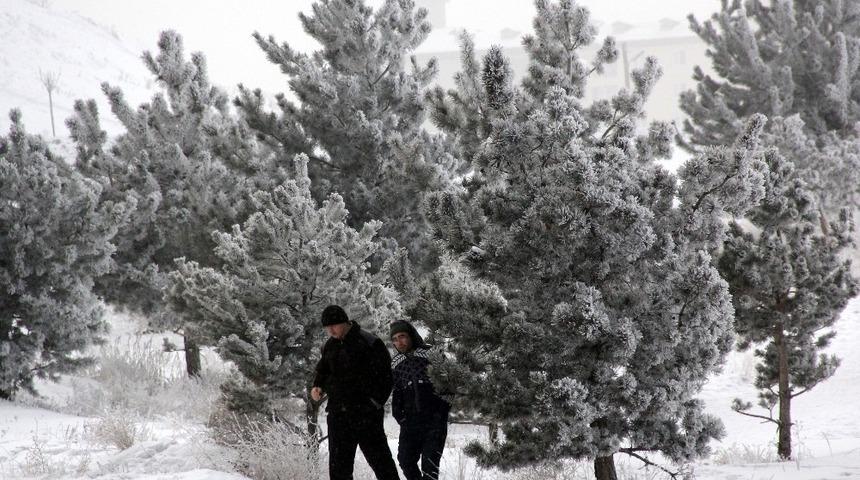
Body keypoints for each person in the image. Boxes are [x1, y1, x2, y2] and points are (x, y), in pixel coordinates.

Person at [312, 305, 400, 480]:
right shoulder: (330, 345)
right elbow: (323, 370)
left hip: (366, 415)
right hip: (338, 415)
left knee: (381, 464)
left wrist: (374, 403)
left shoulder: (369, 342)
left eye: (334, 325)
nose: (330, 330)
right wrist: (318, 386)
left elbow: (386, 377)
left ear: (345, 322)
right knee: (339, 469)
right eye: (327, 327)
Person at [390, 320, 451, 480]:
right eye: (394, 339)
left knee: (429, 467)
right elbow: (397, 390)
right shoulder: (396, 362)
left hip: (434, 421)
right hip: (410, 422)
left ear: (411, 335)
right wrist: (398, 414)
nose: (399, 342)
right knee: (405, 460)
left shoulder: (432, 353)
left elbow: (448, 384)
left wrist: (441, 413)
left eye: (402, 336)